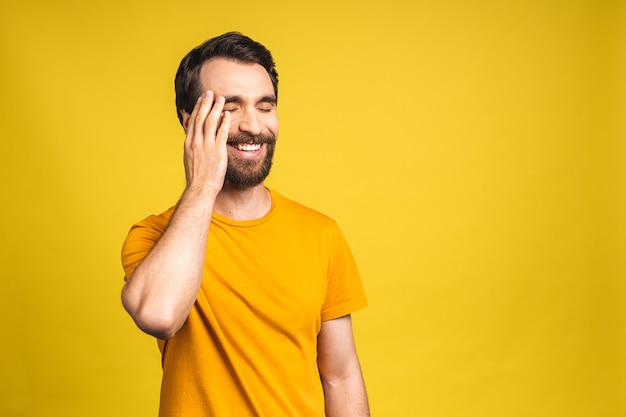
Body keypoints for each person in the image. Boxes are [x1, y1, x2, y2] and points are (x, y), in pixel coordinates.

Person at [120, 32, 369, 417]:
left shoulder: (321, 234)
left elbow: (340, 375)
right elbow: (159, 315)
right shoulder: (153, 236)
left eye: (265, 107)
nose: (253, 126)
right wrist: (203, 183)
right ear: (190, 121)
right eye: (230, 108)